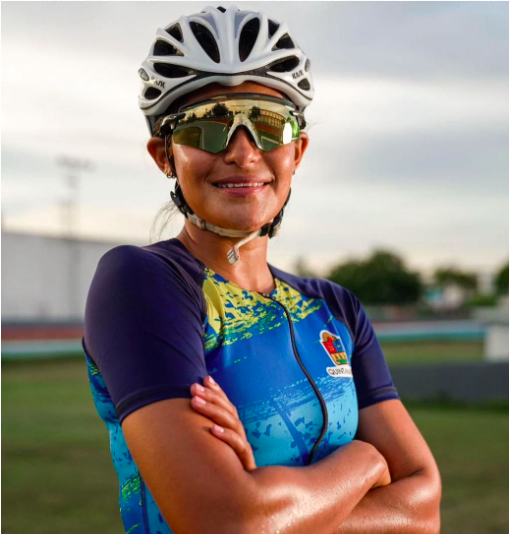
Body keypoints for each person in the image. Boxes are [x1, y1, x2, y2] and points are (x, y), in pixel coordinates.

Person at [83, 5, 441, 534]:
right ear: (165, 155)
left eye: (269, 125)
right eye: (208, 127)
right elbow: (224, 521)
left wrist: (273, 506)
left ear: (296, 151)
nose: (243, 152)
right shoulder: (141, 281)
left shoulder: (335, 307)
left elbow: (424, 507)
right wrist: (364, 463)